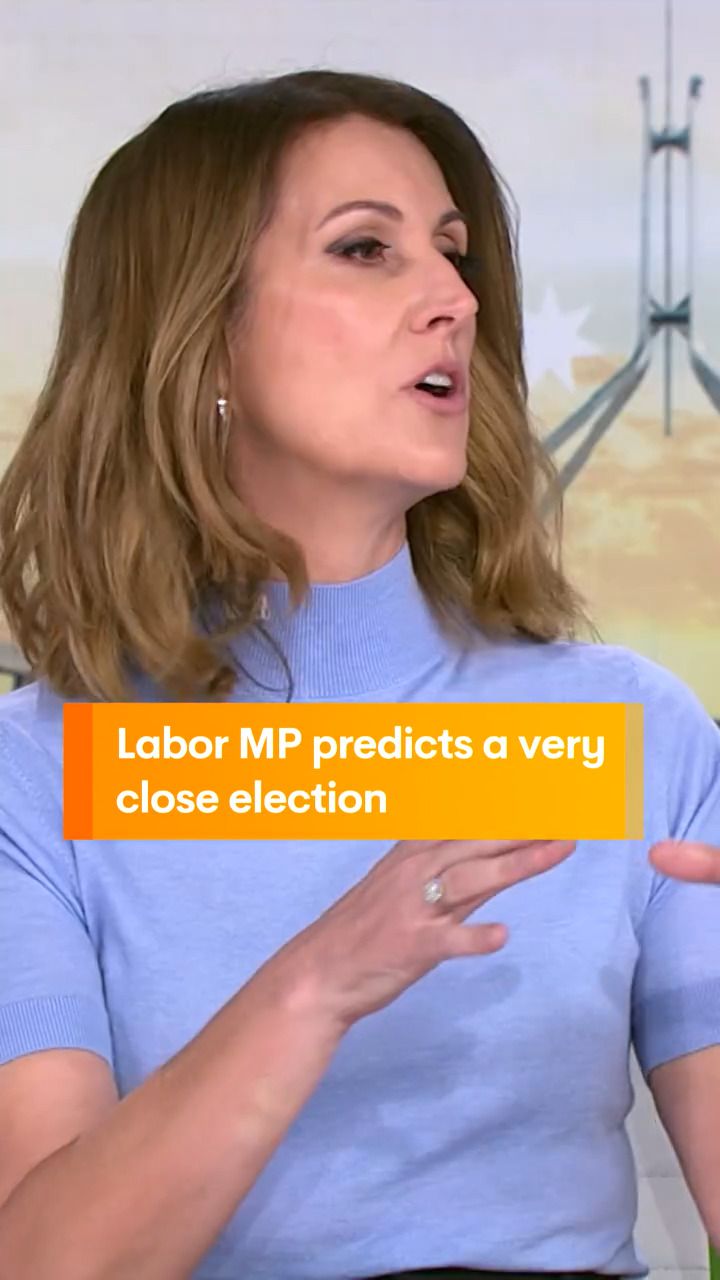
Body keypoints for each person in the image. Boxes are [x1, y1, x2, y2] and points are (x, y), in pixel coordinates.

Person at [0, 68, 717, 1280]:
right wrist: (319, 981)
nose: (454, 299)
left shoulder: (628, 729)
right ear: (199, 331)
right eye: (366, 249)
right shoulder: (40, 770)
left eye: (454, 254)